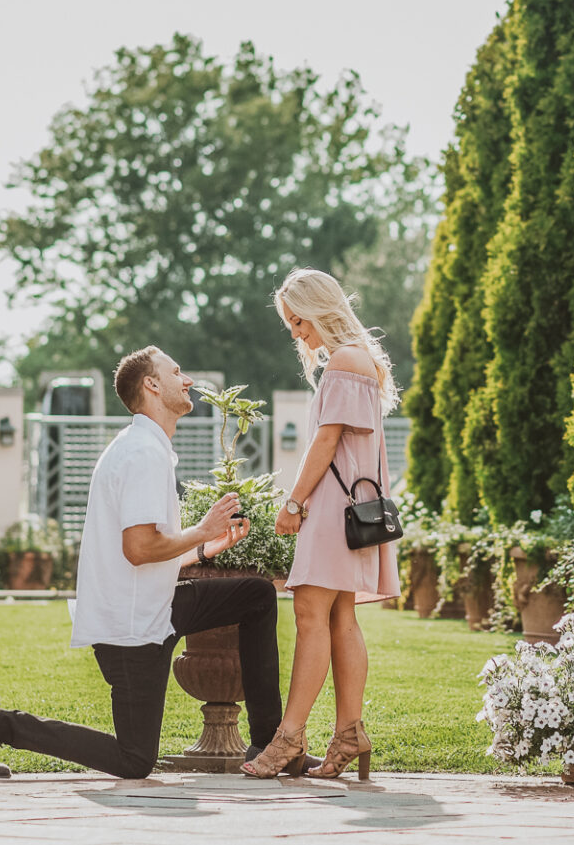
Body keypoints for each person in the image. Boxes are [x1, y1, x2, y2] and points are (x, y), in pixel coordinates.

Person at [0, 346, 292, 780]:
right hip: (131, 629)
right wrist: (201, 530)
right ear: (152, 385)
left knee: (255, 596)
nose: (188, 380)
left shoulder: (145, 446)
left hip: (156, 607)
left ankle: (269, 743)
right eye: (177, 372)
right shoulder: (142, 453)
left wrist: (202, 550)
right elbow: (138, 549)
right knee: (134, 760)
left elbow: (145, 554)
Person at [241, 268, 400, 781]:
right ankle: (349, 732)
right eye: (290, 323)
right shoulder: (357, 360)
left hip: (333, 510)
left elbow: (326, 441)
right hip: (352, 510)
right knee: (339, 617)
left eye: (299, 320)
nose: (295, 332)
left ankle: (289, 737)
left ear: (320, 311)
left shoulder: (345, 363)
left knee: (311, 615)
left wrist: (293, 502)